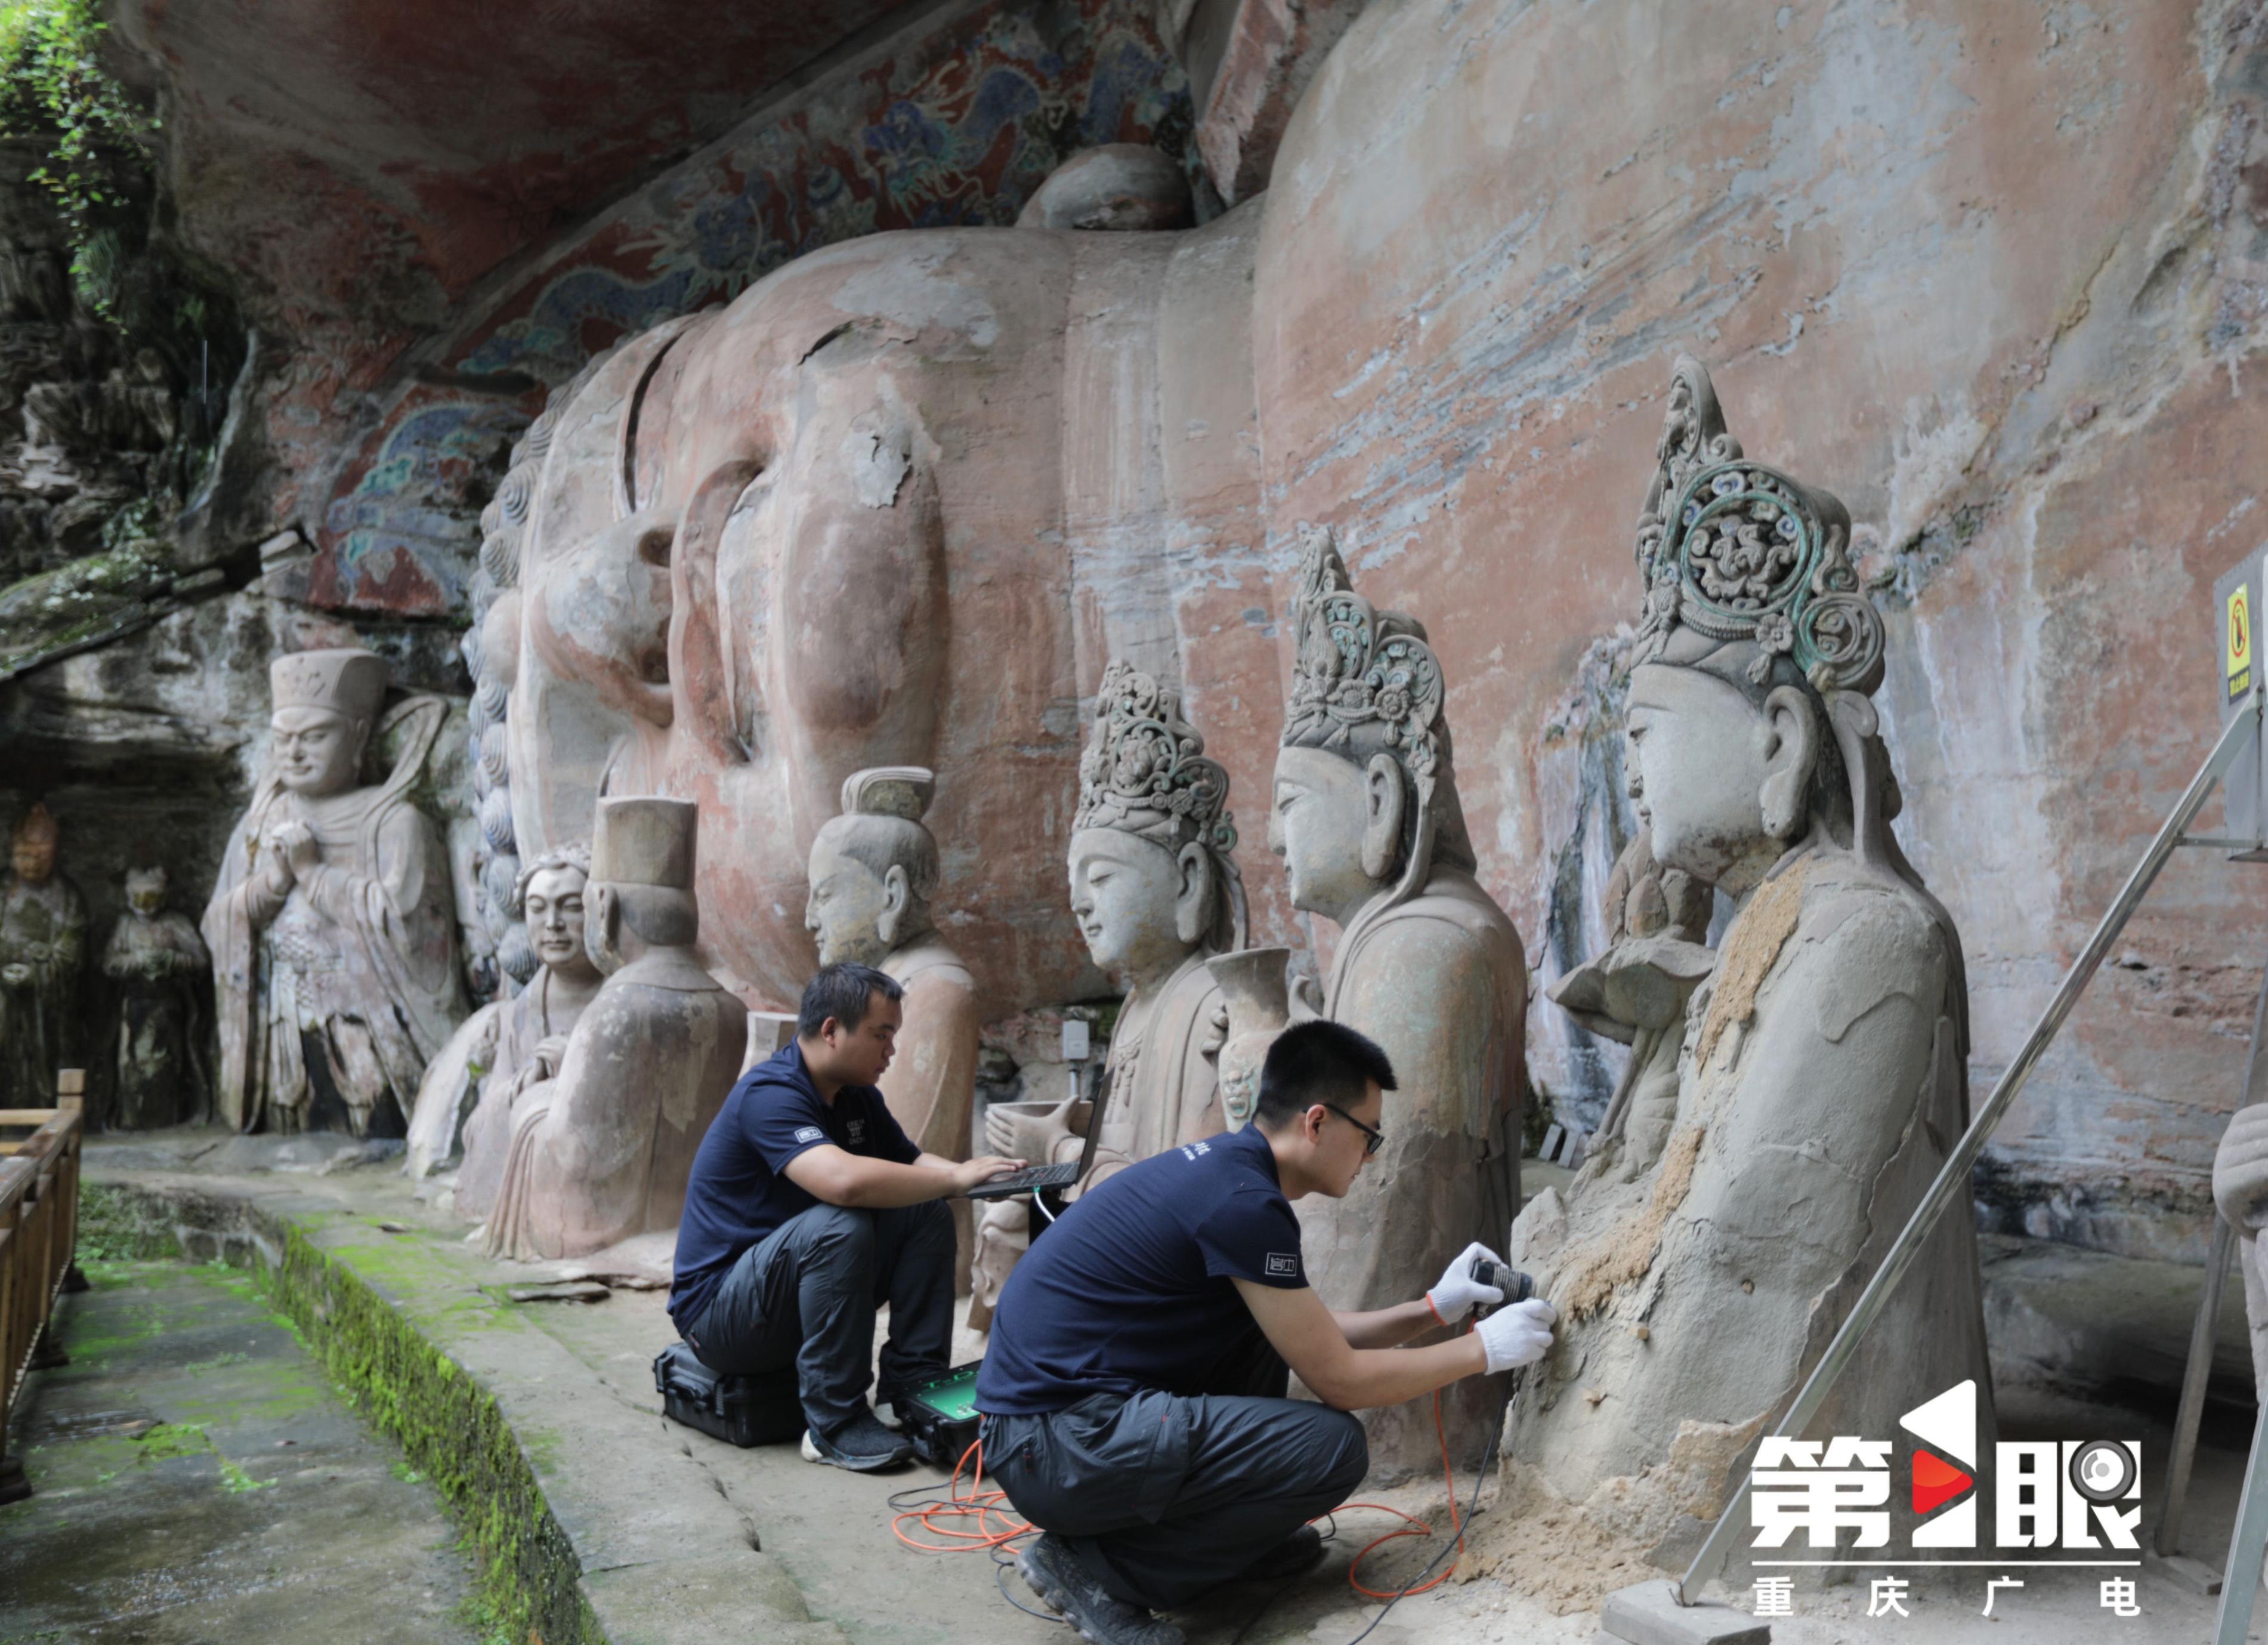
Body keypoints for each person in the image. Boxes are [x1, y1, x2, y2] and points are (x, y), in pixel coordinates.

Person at [977, 1019, 1557, 1645]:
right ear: (1316, 1123)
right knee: (1331, 1449)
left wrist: (1431, 1310)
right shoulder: (1242, 1203)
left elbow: (1308, 1335)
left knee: (1259, 1346)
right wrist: (1482, 1350)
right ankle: (1097, 1573)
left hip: (1058, 1430)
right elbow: (1339, 1379)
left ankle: (1221, 1546)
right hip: (1058, 1442)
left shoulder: (1232, 1176)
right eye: (1369, 1137)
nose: (1370, 1157)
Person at [668, 962, 1023, 1471]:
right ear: (832, 1030)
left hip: (791, 1297)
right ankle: (832, 1424)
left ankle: (909, 1388)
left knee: (925, 1211)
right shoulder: (771, 1094)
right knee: (841, 1220)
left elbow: (915, 1164)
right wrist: (954, 1180)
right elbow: (843, 1182)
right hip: (722, 1317)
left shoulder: (856, 1097)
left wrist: (988, 1176)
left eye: (893, 1035)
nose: (891, 1050)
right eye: (882, 1034)